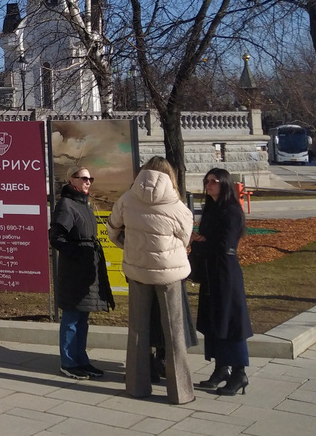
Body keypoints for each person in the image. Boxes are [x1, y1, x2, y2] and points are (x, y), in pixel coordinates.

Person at [108, 156, 194, 404]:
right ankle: (180, 393)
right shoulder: (177, 206)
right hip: (169, 273)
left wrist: (128, 246)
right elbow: (186, 238)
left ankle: (136, 386)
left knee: (137, 330)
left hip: (137, 271)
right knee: (174, 331)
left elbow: (112, 228)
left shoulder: (127, 199)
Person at [49, 166, 115, 380]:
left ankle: (81, 360)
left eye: (90, 179)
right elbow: (56, 237)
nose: (88, 182)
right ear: (72, 180)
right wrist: (77, 252)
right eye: (84, 178)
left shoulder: (84, 203)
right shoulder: (66, 204)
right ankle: (68, 362)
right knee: (71, 315)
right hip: (74, 270)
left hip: (88, 267)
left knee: (83, 316)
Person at [192, 169, 253, 395]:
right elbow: (209, 240)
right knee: (213, 321)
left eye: (214, 182)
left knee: (230, 321)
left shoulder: (231, 211)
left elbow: (225, 245)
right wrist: (200, 240)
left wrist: (200, 241)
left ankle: (239, 372)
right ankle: (220, 368)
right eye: (206, 181)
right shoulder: (211, 209)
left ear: (224, 184)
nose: (208, 185)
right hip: (210, 272)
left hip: (226, 273)